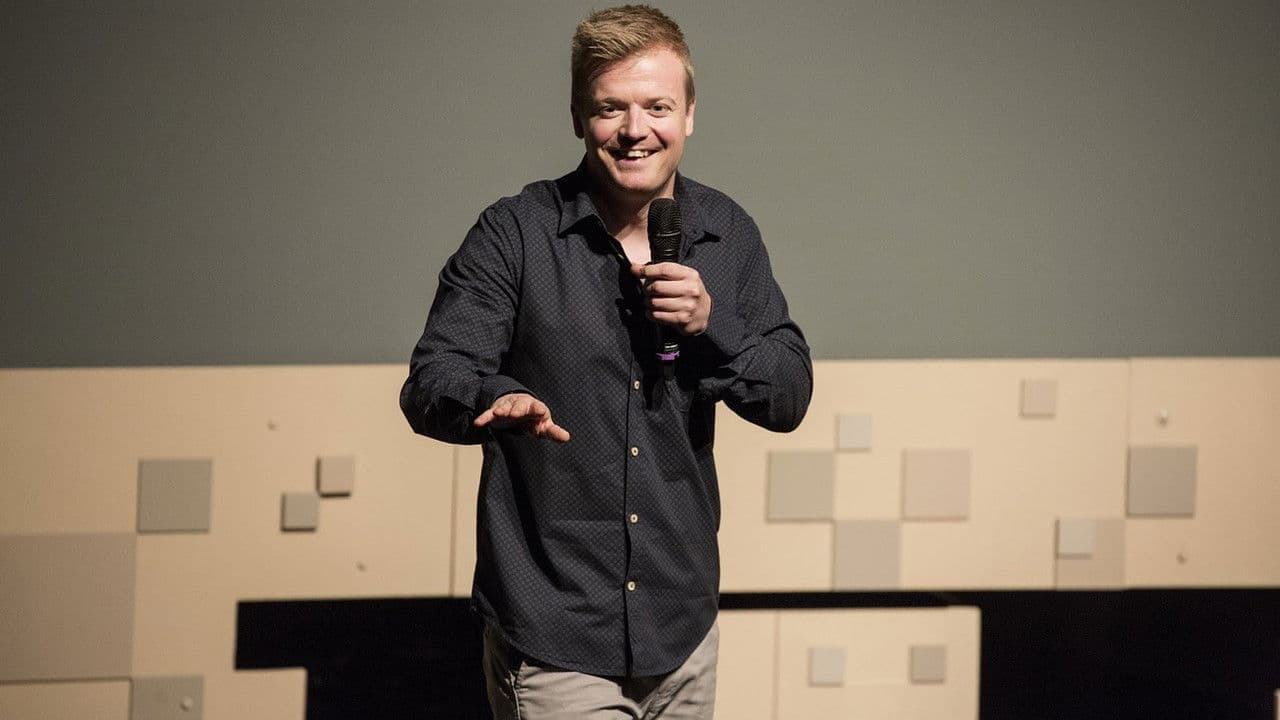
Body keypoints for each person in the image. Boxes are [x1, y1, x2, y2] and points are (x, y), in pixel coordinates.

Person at [400, 5, 812, 718]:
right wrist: (494, 398)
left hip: (682, 629)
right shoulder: (516, 234)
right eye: (610, 108)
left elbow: (788, 395)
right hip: (555, 630)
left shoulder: (728, 234)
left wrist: (711, 326)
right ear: (577, 117)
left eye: (657, 106)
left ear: (689, 115)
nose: (634, 129)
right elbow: (433, 379)